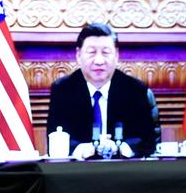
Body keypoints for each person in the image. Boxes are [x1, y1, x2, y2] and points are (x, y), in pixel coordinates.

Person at [46, 23, 157, 159]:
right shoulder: (63, 90)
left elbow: (147, 141)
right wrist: (82, 148)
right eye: (92, 52)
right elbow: (56, 137)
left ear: (116, 56)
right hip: (79, 172)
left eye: (105, 52)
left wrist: (120, 147)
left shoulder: (135, 90)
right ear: (78, 55)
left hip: (125, 172)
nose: (99, 61)